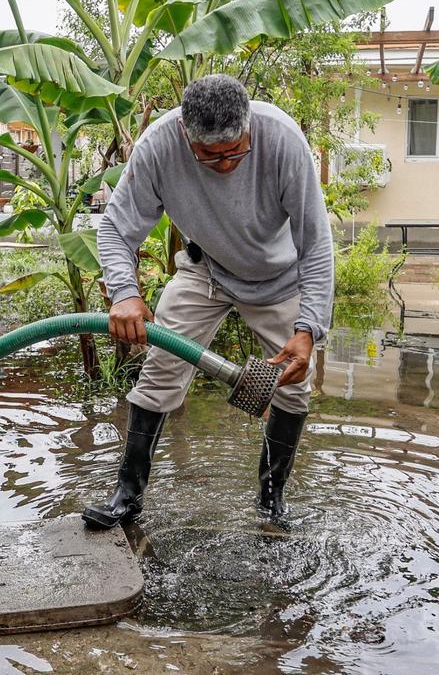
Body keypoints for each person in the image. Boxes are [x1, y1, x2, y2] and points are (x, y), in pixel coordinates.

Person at [83, 75, 334, 530]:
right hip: (207, 271)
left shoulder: (282, 140)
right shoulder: (159, 146)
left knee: (293, 386)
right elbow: (116, 228)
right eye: (208, 156)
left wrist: (308, 330)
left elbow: (316, 244)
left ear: (249, 129)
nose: (223, 164)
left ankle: (271, 500)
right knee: (160, 368)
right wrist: (125, 294)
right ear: (185, 133)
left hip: (278, 278)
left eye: (234, 151)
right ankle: (128, 494)